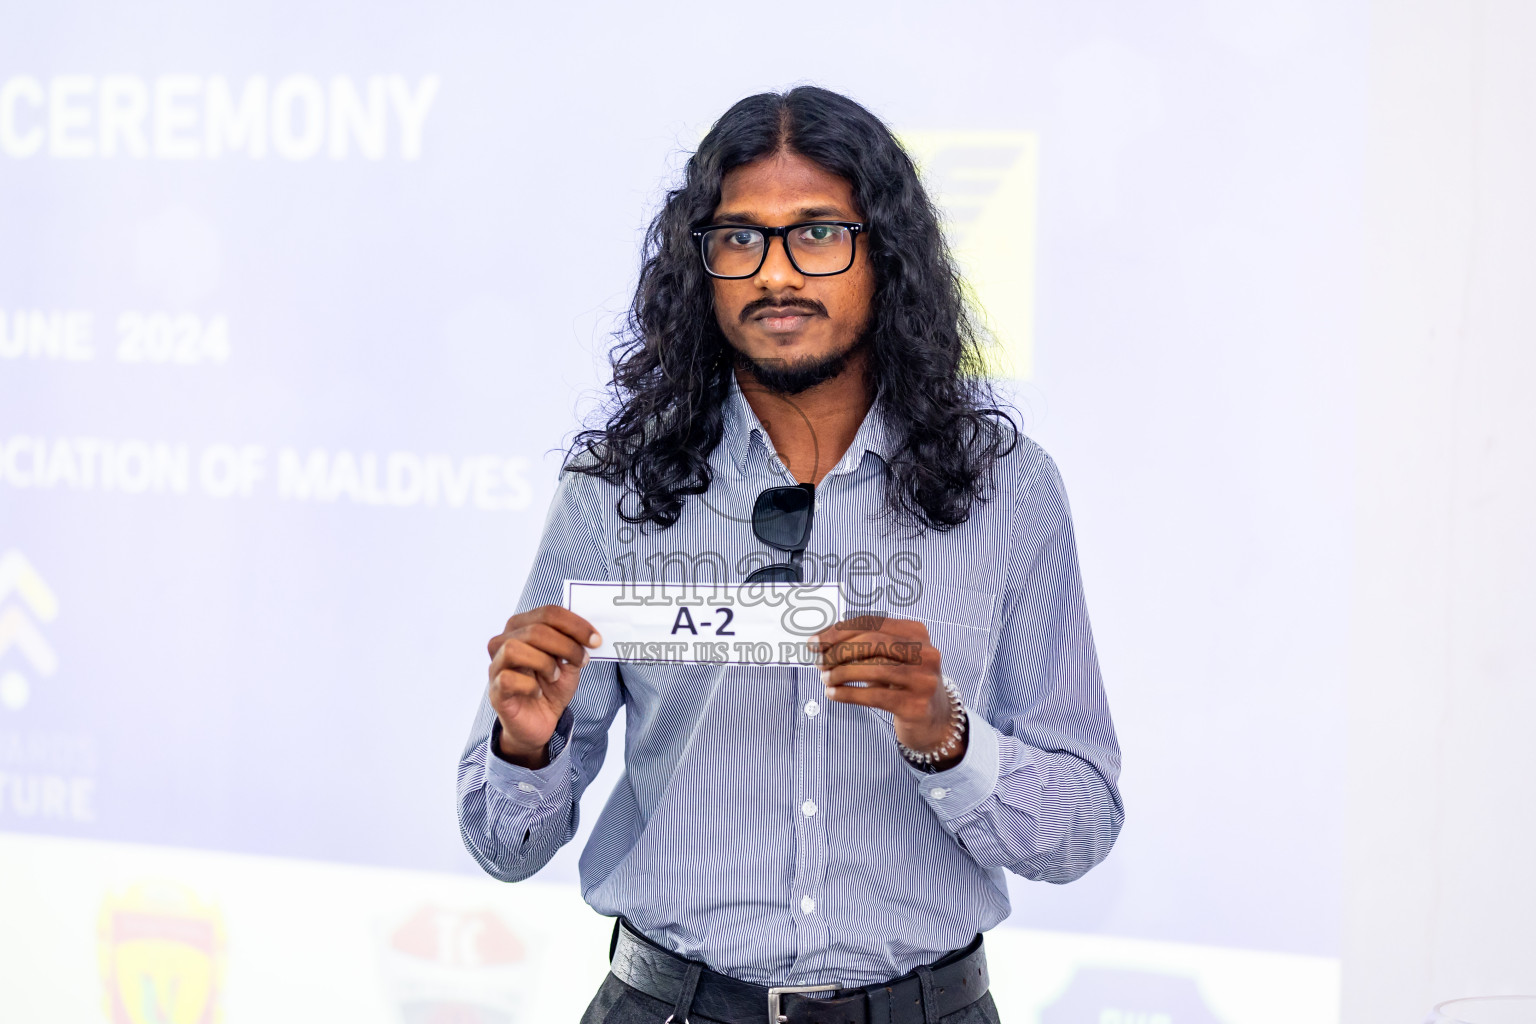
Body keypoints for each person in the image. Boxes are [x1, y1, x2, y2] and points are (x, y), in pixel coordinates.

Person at [457, 86, 1123, 1024]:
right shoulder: (616, 489)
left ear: (882, 253)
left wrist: (948, 738)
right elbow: (503, 845)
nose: (776, 273)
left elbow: (1082, 823)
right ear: (703, 266)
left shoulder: (1006, 487)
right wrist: (524, 744)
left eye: (816, 233)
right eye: (739, 239)